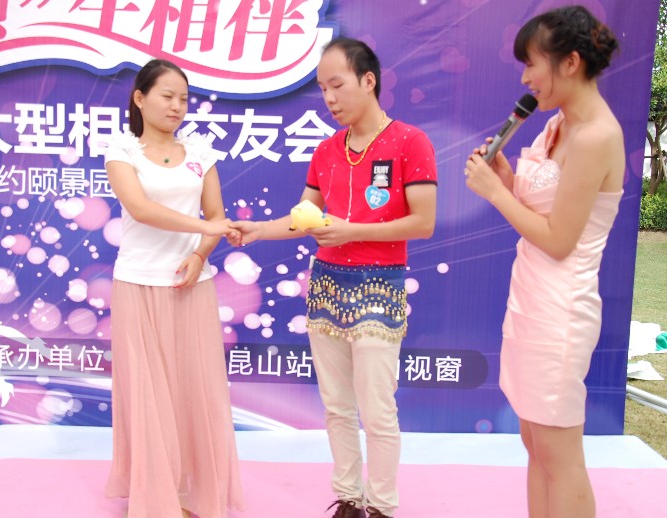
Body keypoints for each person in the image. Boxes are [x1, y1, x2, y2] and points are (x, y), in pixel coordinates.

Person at [229, 37, 437, 518]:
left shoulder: (410, 142)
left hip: (379, 286)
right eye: (323, 89)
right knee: (337, 405)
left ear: (369, 80)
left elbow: (423, 222)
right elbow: (304, 216)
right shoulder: (326, 151)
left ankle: (381, 505)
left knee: (378, 408)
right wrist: (260, 229)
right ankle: (348, 497)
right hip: (325, 287)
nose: (329, 98)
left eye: (337, 85)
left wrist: (352, 230)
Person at [464, 6, 622, 518]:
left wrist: (494, 194)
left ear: (570, 62)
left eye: (531, 64)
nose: (525, 78)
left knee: (560, 453)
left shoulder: (597, 135)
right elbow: (544, 210)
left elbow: (559, 240)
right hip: (530, 298)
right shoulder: (555, 124)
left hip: (561, 310)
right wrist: (508, 180)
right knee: (534, 442)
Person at [103, 59, 243, 518]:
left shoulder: (201, 152)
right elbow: (141, 209)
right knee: (147, 398)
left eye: (183, 98)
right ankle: (155, 499)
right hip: (137, 285)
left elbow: (216, 215)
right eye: (167, 96)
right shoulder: (122, 152)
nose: (176, 106)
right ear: (140, 98)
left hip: (191, 287)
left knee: (193, 395)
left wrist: (200, 254)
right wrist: (206, 227)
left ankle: (190, 496)